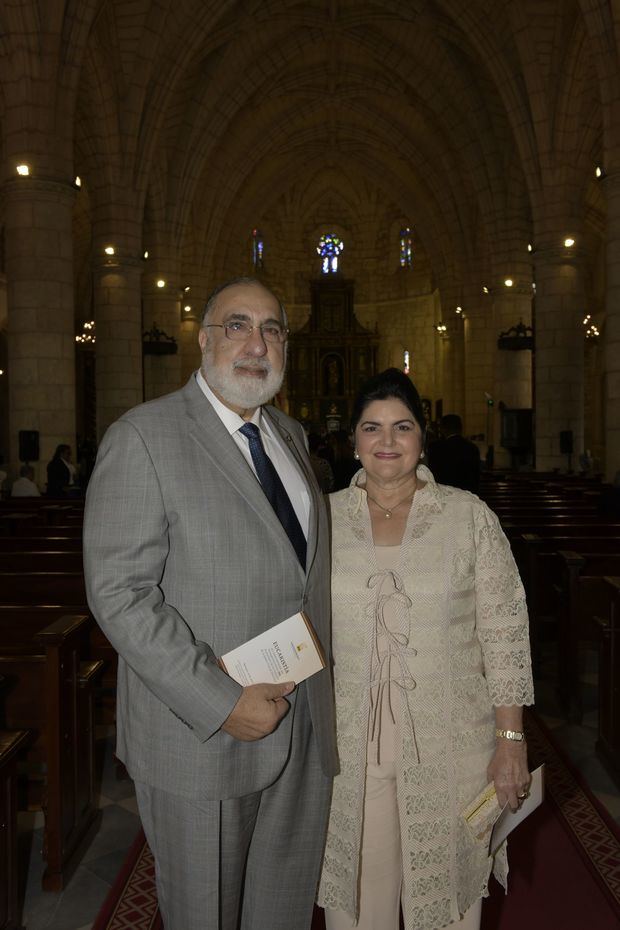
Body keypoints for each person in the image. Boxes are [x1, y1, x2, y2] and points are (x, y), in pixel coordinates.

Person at [83, 277, 337, 930]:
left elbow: (300, 577)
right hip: (202, 736)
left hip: (300, 725)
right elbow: (120, 594)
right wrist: (222, 703)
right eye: (237, 325)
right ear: (202, 339)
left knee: (279, 913)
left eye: (273, 329)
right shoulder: (144, 436)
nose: (257, 343)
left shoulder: (291, 435)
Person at [318, 368, 534, 930]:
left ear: (422, 437)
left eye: (402, 426)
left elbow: (505, 632)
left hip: (451, 744)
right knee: (359, 904)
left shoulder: (468, 518)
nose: (387, 442)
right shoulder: (322, 521)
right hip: (349, 750)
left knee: (450, 900)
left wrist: (510, 741)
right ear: (353, 441)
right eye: (372, 428)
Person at [427, 414, 481, 493]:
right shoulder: (472, 448)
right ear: (460, 428)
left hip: (444, 495)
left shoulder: (436, 448)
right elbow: (475, 478)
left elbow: (432, 474)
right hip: (467, 496)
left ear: (443, 429)